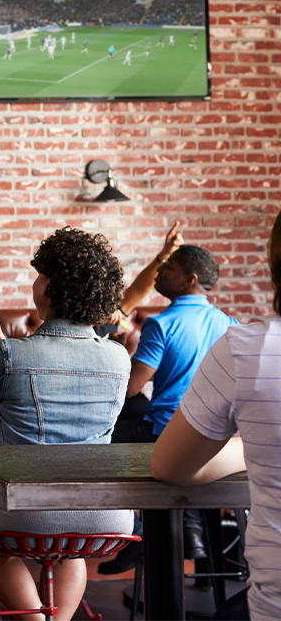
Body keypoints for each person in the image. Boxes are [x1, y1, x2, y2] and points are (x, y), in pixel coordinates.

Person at [0, 227, 132, 621]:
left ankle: (34, 619)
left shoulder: (9, 354)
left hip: (26, 511)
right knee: (72, 545)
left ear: (49, 287)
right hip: (107, 516)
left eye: (39, 275)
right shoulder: (120, 357)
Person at [151, 206, 280, 621]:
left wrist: (251, 445)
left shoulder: (247, 348)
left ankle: (147, 540)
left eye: (167, 265)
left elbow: (169, 466)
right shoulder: (226, 322)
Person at [100, 241, 237, 572]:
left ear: (188, 279)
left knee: (98, 441)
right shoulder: (229, 324)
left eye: (169, 267)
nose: (160, 271)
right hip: (218, 438)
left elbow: (131, 387)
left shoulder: (162, 323)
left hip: (164, 434)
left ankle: (140, 533)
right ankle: (195, 540)